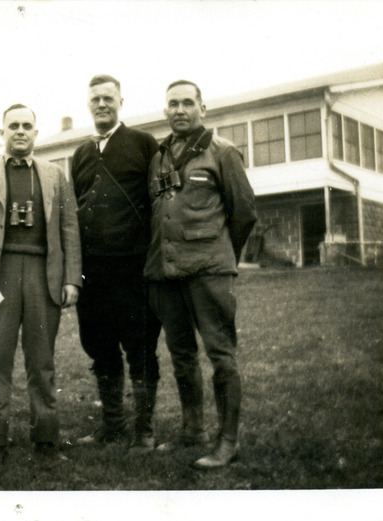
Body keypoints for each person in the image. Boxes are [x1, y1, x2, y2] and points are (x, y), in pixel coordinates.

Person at [0, 104, 81, 466]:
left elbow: (70, 229)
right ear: (3, 132)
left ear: (36, 133)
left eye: (27, 125)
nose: (21, 131)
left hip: (44, 275)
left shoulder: (56, 175)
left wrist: (73, 278)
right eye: (13, 126)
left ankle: (46, 440)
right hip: (0, 275)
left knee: (42, 362)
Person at [145, 80, 257, 468]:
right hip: (166, 272)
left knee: (221, 356)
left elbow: (243, 212)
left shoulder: (222, 152)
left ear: (202, 109)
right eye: (172, 103)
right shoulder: (159, 156)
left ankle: (228, 440)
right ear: (165, 111)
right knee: (181, 355)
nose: (179, 110)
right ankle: (193, 431)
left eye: (187, 103)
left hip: (208, 271)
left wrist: (221, 255)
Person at [71, 74, 162, 453]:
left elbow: (159, 205)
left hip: (134, 270)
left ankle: (144, 429)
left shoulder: (144, 144)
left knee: (140, 349)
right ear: (88, 104)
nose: (102, 104)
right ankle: (112, 425)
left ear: (121, 101)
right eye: (95, 99)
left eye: (108, 98)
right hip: (93, 273)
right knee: (101, 349)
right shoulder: (80, 154)